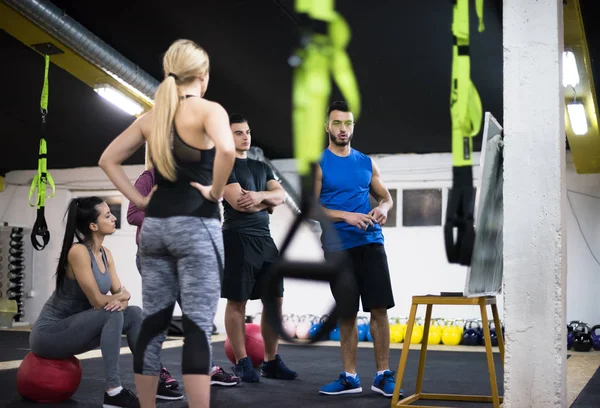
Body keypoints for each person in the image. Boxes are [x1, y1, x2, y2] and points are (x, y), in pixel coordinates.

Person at [99, 39, 236, 408]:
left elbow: (107, 159)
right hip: (196, 226)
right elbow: (226, 149)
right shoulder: (209, 110)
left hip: (155, 229)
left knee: (154, 325)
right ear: (203, 76)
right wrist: (216, 191)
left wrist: (141, 199)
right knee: (195, 327)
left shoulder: (151, 118)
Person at [127, 156, 241, 388]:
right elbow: (133, 215)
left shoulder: (191, 179)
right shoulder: (149, 178)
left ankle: (207, 370)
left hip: (187, 257)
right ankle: (155, 374)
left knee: (196, 318)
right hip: (157, 258)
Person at [315, 101, 399, 398]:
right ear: (327, 127)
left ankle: (382, 375)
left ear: (353, 127)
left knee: (379, 308)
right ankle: (350, 377)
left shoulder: (366, 162)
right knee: (347, 313)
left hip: (371, 242)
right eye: (337, 123)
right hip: (339, 248)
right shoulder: (319, 163)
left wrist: (384, 209)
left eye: (347, 123)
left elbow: (386, 197)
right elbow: (312, 207)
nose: (342, 129)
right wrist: (345, 215)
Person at [29, 197, 143, 408]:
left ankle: (151, 378)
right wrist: (121, 297)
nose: (114, 218)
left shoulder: (106, 254)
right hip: (49, 336)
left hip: (77, 330)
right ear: (93, 226)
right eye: (108, 215)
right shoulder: (78, 252)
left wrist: (122, 299)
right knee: (112, 312)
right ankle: (113, 391)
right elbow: (99, 301)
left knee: (136, 314)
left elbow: (124, 297)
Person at [221, 113, 297, 382]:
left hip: (264, 240)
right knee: (237, 301)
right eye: (239, 132)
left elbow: (281, 196)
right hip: (237, 238)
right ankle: (242, 362)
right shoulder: (223, 165)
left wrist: (261, 197)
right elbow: (238, 202)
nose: (246, 136)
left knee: (275, 300)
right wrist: (267, 201)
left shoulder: (262, 168)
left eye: (247, 131)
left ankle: (271, 361)